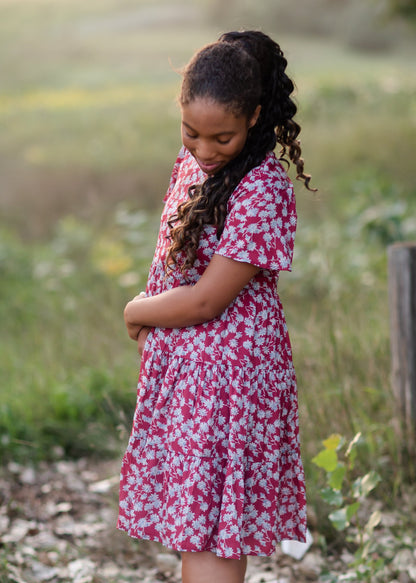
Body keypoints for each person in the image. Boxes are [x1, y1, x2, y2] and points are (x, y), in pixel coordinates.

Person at [118, 30, 314, 583]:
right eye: (191, 133)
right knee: (195, 526)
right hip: (190, 372)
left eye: (221, 138)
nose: (204, 150)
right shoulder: (193, 163)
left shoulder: (261, 185)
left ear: (254, 117)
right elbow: (173, 263)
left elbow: (207, 299)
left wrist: (137, 311)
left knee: (209, 529)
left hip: (229, 378)